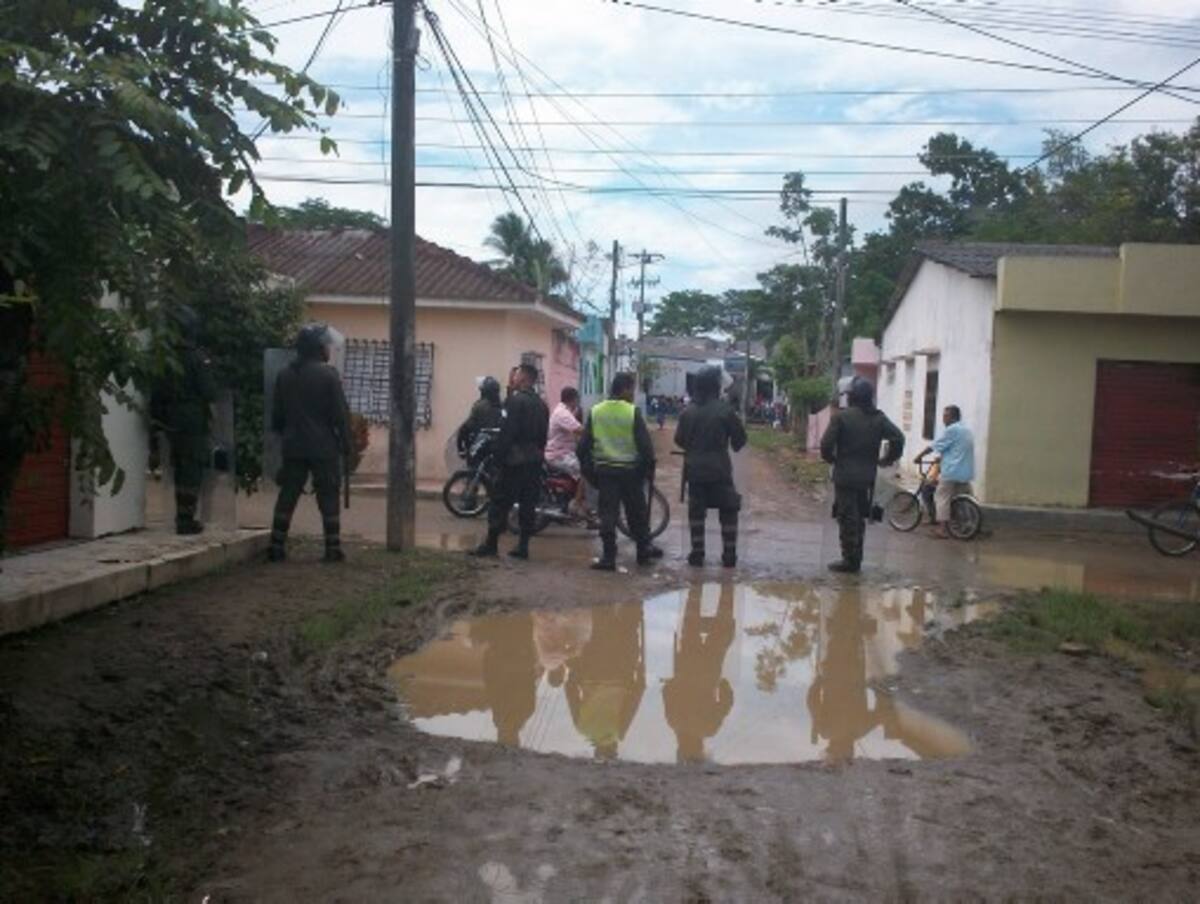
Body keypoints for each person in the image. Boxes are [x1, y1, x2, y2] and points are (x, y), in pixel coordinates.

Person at [267, 323, 351, 563]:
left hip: (293, 446)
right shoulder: (328, 375)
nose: (328, 349)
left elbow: (277, 418)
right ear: (317, 348)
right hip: (323, 447)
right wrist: (346, 444)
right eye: (325, 345)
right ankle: (332, 548)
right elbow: (340, 416)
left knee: (288, 495)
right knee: (328, 495)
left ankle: (276, 545)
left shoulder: (284, 375)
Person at [819, 376, 904, 574]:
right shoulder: (878, 418)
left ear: (852, 397)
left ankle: (850, 560)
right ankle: (856, 558)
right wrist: (888, 458)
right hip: (867, 477)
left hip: (845, 477)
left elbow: (825, 445)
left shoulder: (841, 417)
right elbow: (898, 437)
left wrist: (832, 459)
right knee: (859, 517)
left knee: (847, 517)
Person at [578, 372, 662, 571]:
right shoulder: (632, 412)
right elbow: (646, 450)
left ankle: (608, 557)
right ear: (624, 389)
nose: (633, 394)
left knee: (608, 515)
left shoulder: (596, 411)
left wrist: (592, 474)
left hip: (606, 473)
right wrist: (643, 473)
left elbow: (582, 449)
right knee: (637, 515)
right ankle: (642, 553)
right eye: (631, 389)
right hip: (630, 473)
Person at [152, 305, 218, 535]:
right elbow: (209, 392)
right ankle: (185, 519)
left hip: (169, 416)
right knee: (192, 467)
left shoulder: (165, 357)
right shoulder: (197, 358)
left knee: (179, 465)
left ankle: (182, 515)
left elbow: (156, 391)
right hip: (192, 418)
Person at [472, 362, 549, 560]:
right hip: (534, 460)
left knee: (500, 502)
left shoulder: (514, 402)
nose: (513, 379)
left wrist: (498, 458)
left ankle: (491, 544)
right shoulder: (542, 405)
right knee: (528, 504)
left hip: (514, 461)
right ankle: (523, 546)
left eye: (516, 375)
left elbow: (506, 433)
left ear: (523, 378)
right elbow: (543, 437)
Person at [675, 365, 747, 567]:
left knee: (696, 513)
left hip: (695, 472)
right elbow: (739, 442)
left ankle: (697, 554)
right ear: (716, 386)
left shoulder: (687, 412)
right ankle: (729, 556)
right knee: (729, 510)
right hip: (720, 471)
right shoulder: (726, 411)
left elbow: (679, 440)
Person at [916, 404, 975, 539]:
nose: (943, 418)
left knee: (941, 497)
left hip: (952, 471)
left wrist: (919, 456)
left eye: (945, 415)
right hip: (966, 471)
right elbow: (955, 449)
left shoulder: (952, 430)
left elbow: (934, 446)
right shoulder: (966, 430)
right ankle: (967, 525)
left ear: (952, 417)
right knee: (964, 497)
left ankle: (942, 529)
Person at [545, 386, 586, 513]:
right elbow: (579, 430)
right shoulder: (562, 413)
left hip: (564, 452)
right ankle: (576, 504)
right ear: (573, 399)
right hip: (558, 455)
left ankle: (576, 498)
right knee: (586, 472)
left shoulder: (565, 411)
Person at [456, 376, 504, 457]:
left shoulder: (480, 406)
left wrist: (460, 447)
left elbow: (467, 427)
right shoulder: (503, 406)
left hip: (482, 448)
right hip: (499, 449)